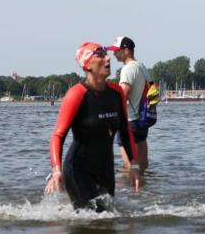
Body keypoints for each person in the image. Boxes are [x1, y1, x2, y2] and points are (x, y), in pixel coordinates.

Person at [47, 42, 141, 211]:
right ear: (87, 65)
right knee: (91, 217)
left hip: (105, 168)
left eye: (106, 54)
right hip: (78, 170)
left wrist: (134, 165)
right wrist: (56, 171)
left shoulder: (116, 92)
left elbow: (125, 131)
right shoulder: (76, 94)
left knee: (109, 220)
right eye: (100, 55)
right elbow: (58, 136)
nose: (108, 59)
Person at [108, 36, 152, 172]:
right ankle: (144, 191)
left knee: (129, 168)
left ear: (126, 50)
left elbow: (123, 95)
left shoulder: (127, 70)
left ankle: (129, 192)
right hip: (143, 120)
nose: (114, 53)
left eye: (117, 50)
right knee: (142, 165)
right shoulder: (143, 67)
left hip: (129, 122)